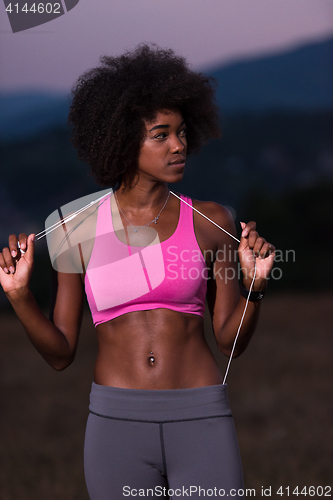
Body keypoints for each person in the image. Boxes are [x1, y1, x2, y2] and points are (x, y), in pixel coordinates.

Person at [0, 44, 275, 499]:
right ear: (123, 139)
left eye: (183, 133)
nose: (179, 145)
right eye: (161, 135)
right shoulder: (74, 228)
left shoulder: (212, 224)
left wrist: (256, 285)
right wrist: (19, 297)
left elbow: (231, 339)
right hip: (116, 424)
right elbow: (60, 352)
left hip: (201, 415)